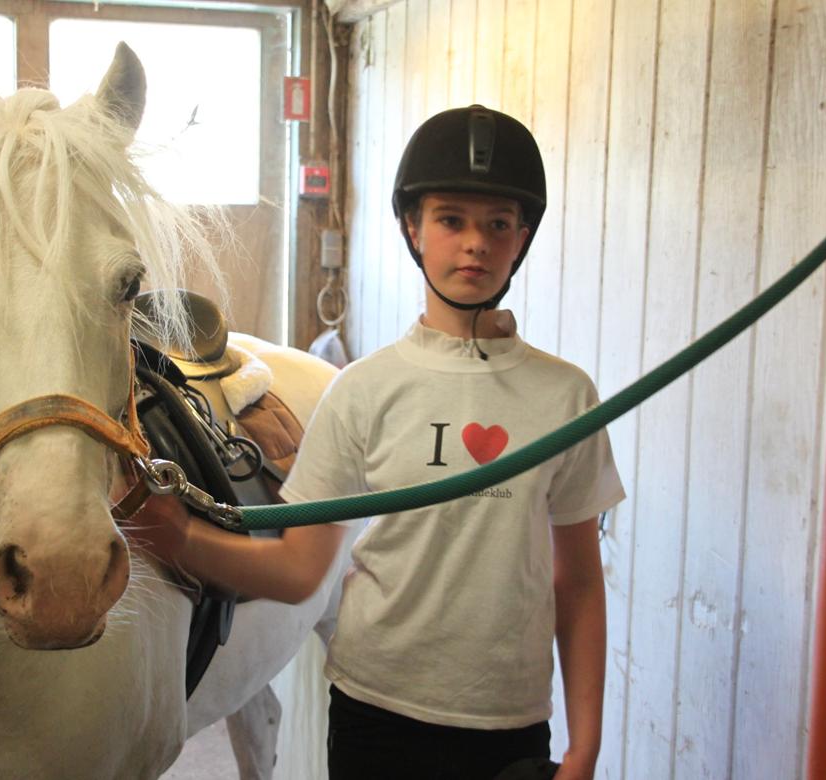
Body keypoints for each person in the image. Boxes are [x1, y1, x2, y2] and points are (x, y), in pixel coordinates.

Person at [129, 105, 625, 780]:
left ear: (522, 237)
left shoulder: (566, 397)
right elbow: (304, 568)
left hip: (509, 722)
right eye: (452, 219)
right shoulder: (361, 391)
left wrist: (585, 746)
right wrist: (183, 539)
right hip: (377, 716)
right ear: (412, 228)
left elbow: (580, 582)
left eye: (498, 224)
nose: (475, 243)